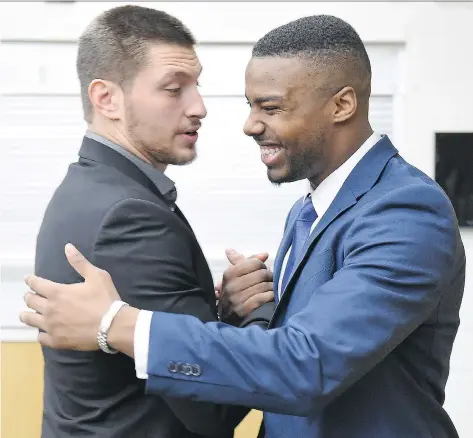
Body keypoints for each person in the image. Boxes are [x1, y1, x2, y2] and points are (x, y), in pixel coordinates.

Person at [21, 14, 466, 438]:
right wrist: (237, 315)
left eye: (269, 107)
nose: (249, 125)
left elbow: (305, 365)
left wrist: (117, 324)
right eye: (251, 106)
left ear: (342, 105)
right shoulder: (307, 210)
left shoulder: (406, 210)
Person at [28, 5, 274, 438]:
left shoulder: (90, 189)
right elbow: (213, 409)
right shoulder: (130, 216)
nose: (199, 107)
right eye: (173, 89)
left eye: (195, 85)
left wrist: (226, 313)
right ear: (107, 98)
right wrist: (259, 314)